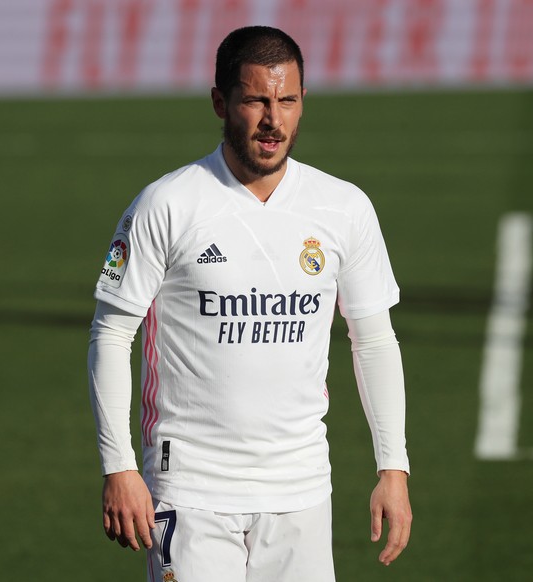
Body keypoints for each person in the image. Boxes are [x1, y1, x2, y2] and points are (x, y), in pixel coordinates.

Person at [88, 25, 412, 582]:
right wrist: (118, 466)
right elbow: (112, 334)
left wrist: (394, 469)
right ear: (221, 102)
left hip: (301, 489)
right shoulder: (167, 204)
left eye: (287, 101)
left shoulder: (343, 208)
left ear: (303, 101)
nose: (273, 120)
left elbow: (374, 338)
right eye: (256, 100)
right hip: (190, 489)